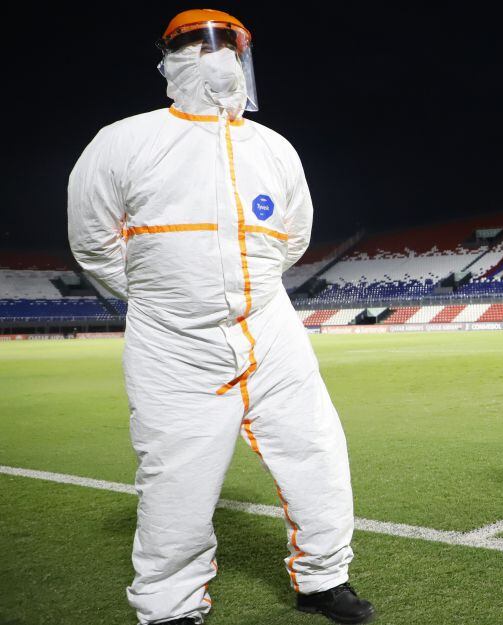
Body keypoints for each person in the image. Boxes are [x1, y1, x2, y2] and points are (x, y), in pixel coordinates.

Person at [67, 9, 374, 625]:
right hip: (172, 339)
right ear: (169, 59)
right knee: (176, 475)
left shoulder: (274, 147)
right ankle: (170, 605)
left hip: (270, 325)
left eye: (229, 45)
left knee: (316, 450)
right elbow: (91, 241)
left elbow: (292, 238)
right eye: (197, 45)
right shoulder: (123, 140)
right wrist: (165, 295)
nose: (217, 57)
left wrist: (249, 288)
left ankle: (323, 578)